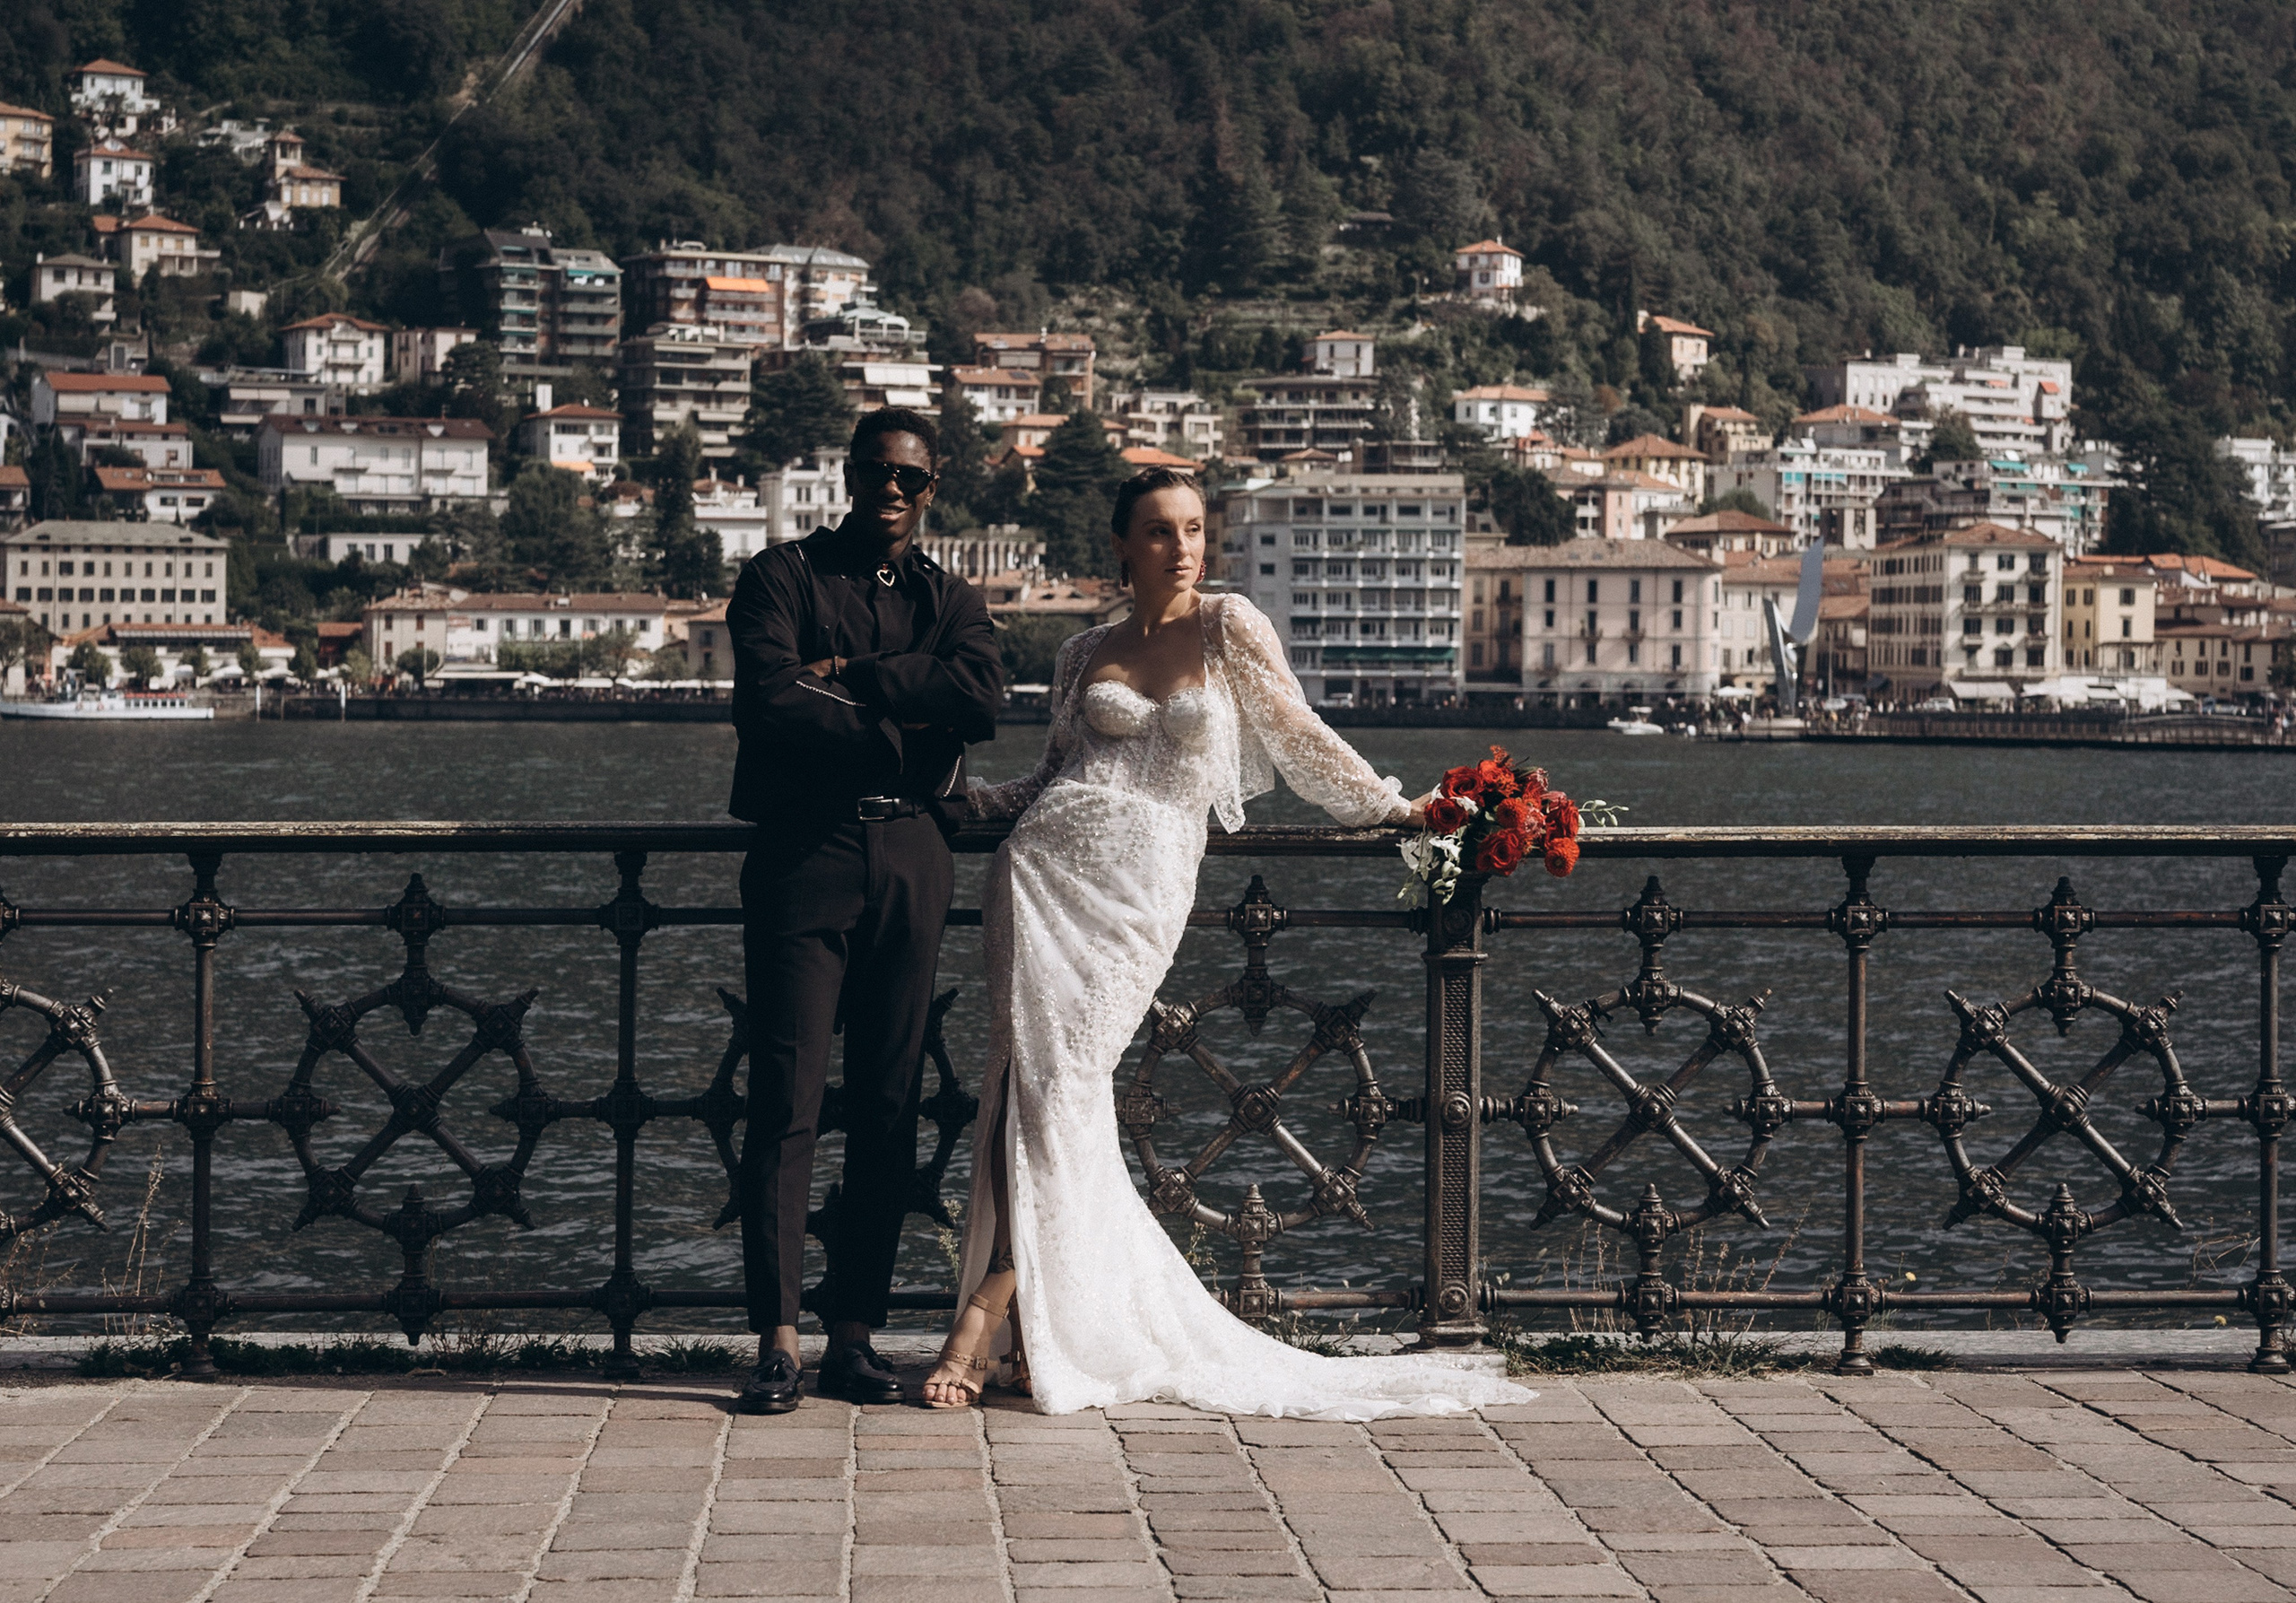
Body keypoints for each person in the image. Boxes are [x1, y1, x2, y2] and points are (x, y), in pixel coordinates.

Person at [921, 466, 1533, 1419]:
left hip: (1141, 883)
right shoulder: (1084, 648)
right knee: (1018, 1082)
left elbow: (1295, 731)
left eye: (1195, 528)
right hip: (1041, 874)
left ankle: (994, 1307)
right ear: (1120, 545)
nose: (1182, 546)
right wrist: (961, 803)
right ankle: (1014, 1319)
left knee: (1068, 1083)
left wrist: (1398, 807)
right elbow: (1050, 773)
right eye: (1160, 531)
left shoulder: (1230, 624)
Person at [726, 407, 1001, 1414]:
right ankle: (778, 1339)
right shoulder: (779, 576)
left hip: (917, 854)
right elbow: (771, 699)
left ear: (934, 489)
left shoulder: (950, 593)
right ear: (847, 473)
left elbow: (981, 698)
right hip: (806, 848)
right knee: (787, 1096)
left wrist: (858, 677)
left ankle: (854, 1333)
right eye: (879, 471)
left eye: (914, 478)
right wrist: (903, 726)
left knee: (888, 1103)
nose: (894, 488)